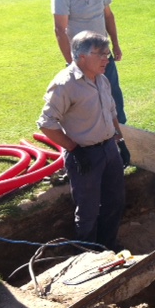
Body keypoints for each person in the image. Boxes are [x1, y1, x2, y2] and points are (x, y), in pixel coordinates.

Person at [37, 31, 129, 251]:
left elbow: (112, 111)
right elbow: (46, 123)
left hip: (109, 149)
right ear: (81, 56)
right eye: (101, 54)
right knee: (88, 211)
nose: (107, 59)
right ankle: (88, 256)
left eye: (107, 53)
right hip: (84, 156)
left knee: (114, 203)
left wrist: (121, 140)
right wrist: (73, 149)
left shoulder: (102, 79)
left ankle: (108, 246)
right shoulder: (65, 85)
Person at [52, 0, 127, 125]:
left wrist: (116, 45)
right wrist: (71, 63)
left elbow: (108, 16)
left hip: (103, 55)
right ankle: (91, 134)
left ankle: (122, 130)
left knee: (113, 93)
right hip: (82, 59)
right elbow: (60, 30)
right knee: (86, 101)